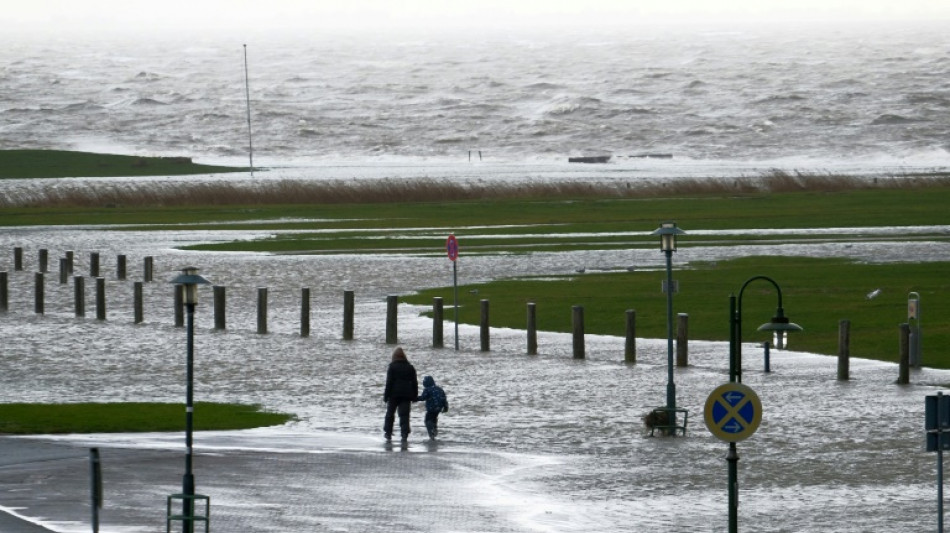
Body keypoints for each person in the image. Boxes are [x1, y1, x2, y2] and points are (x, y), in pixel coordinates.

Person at [383, 347, 418, 441]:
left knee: (390, 414)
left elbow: (389, 383)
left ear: (394, 357)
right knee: (404, 415)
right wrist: (415, 396)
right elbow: (414, 382)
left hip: (393, 395)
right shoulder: (410, 367)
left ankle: (388, 433)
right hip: (406, 395)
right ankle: (404, 434)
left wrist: (386, 396)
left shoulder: (392, 367)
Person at [417, 375, 449, 439]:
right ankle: (434, 428)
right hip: (439, 408)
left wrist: (414, 398)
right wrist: (445, 407)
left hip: (431, 408)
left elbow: (423, 397)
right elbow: (444, 399)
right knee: (434, 418)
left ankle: (431, 433)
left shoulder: (427, 389)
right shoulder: (439, 389)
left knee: (427, 420)